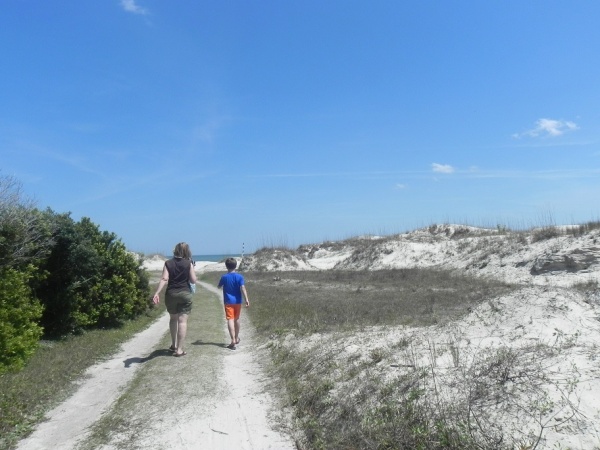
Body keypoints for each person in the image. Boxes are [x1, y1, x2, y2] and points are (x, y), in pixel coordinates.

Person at [153, 242, 197, 357]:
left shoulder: (168, 263)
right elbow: (193, 280)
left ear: (175, 250)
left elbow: (164, 278)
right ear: (187, 251)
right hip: (185, 294)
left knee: (173, 319)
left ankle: (173, 345)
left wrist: (157, 293)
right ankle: (179, 350)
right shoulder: (188, 263)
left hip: (171, 294)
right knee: (182, 321)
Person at [217, 257, 250, 350]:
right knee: (237, 319)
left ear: (226, 266)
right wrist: (247, 299)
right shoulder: (239, 277)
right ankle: (236, 337)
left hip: (228, 302)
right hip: (238, 301)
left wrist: (222, 285)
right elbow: (243, 288)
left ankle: (232, 340)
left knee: (230, 319)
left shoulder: (224, 277)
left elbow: (219, 286)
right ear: (236, 266)